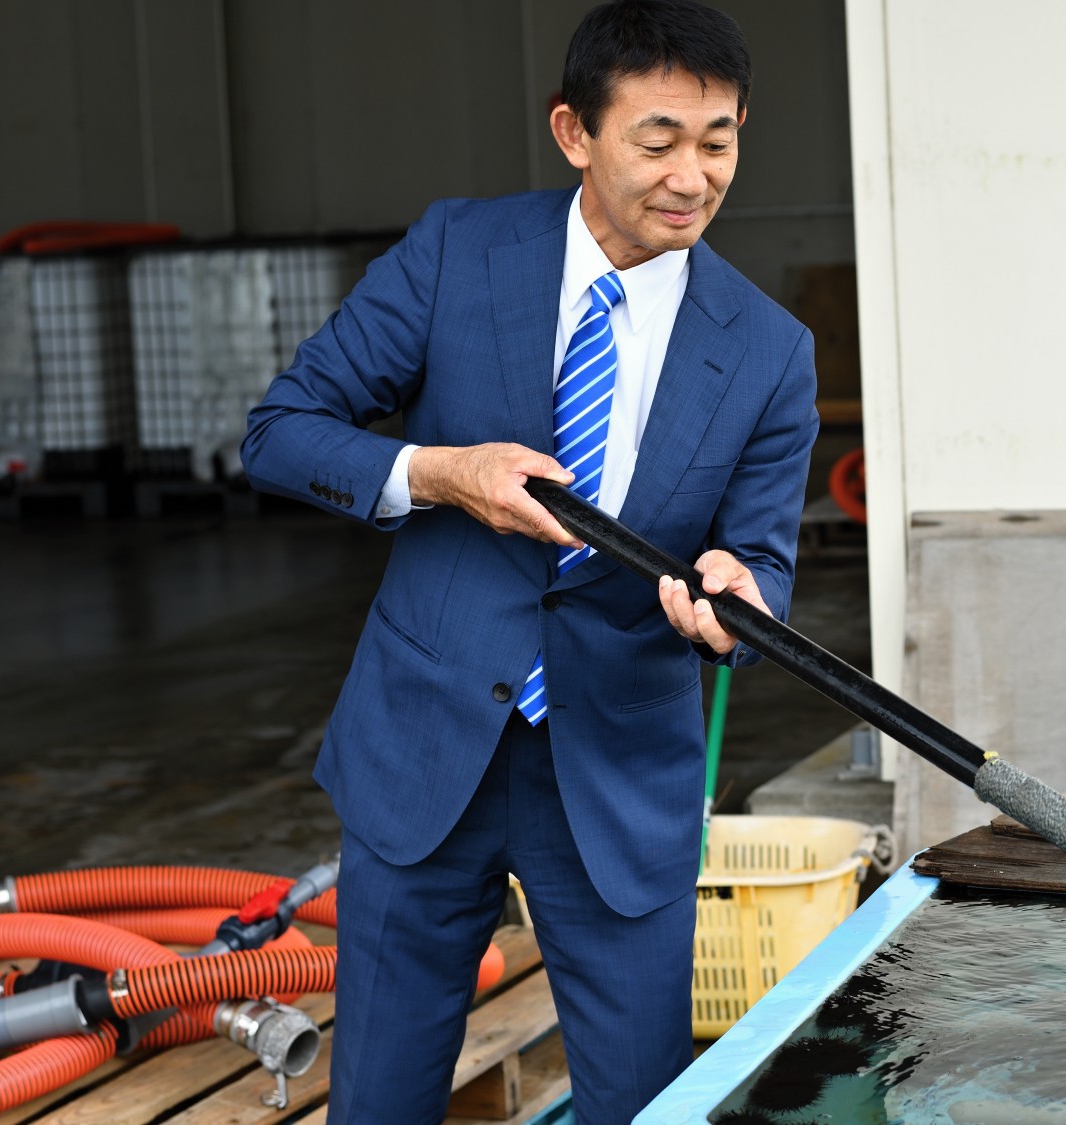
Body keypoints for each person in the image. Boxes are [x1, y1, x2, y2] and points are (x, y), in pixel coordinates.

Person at [240, 2, 818, 1120]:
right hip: (424, 740)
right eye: (656, 141)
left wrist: (738, 603)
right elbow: (282, 429)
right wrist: (442, 473)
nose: (691, 177)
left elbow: (760, 563)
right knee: (382, 1099)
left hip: (617, 770)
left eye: (718, 141)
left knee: (642, 1101)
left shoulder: (765, 350)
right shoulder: (459, 251)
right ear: (573, 133)